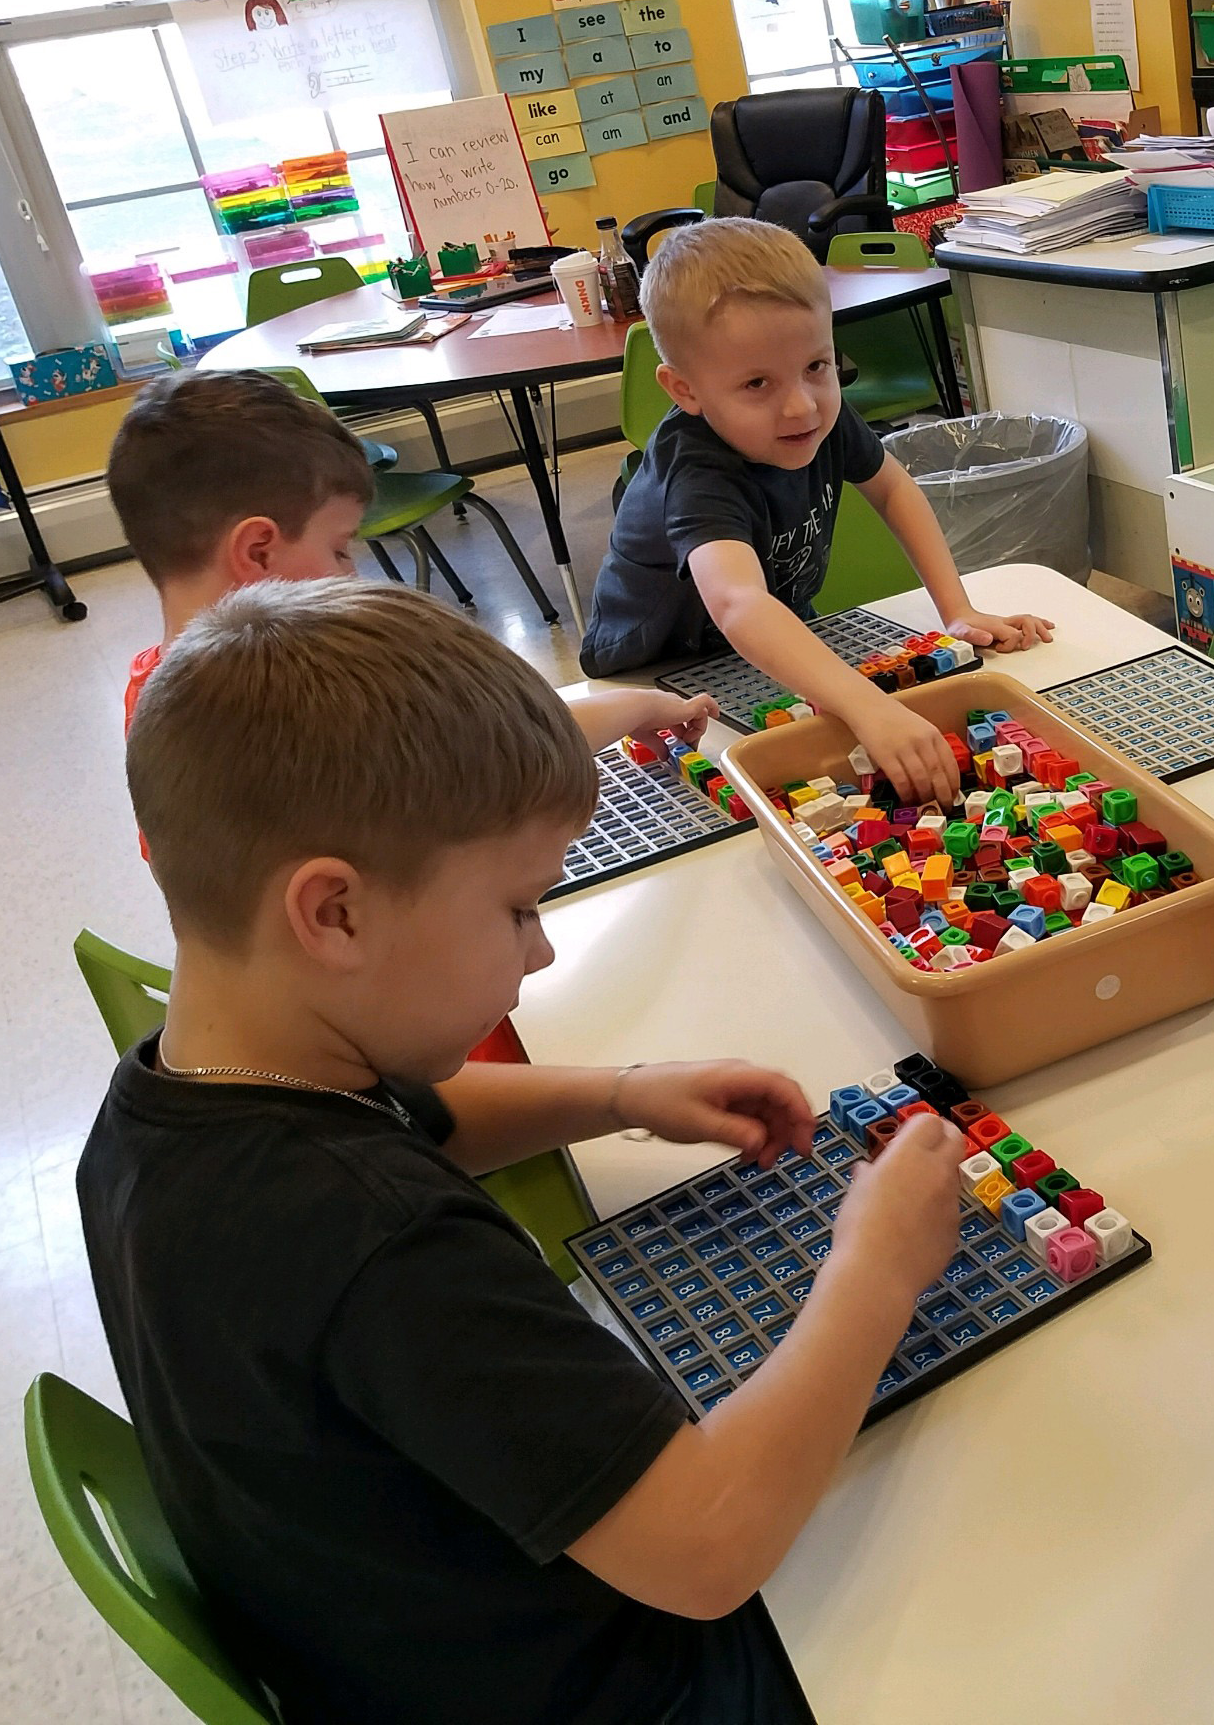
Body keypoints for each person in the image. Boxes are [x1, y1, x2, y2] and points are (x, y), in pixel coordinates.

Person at [86, 577, 968, 1724]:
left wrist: (621, 1092)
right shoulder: (380, 1247)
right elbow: (709, 1549)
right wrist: (877, 1266)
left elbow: (428, 1112)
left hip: (388, 1638)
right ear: (334, 913)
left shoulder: (176, 1093)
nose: (542, 955)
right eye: (517, 909)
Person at [578, 217, 1051, 805]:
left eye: (817, 366)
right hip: (653, 678)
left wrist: (957, 609)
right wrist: (865, 704)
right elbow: (738, 601)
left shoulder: (821, 417)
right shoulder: (697, 468)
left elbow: (893, 488)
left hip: (774, 650)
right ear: (685, 390)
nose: (802, 407)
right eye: (757, 383)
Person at [108, 368, 715, 750]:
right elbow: (508, 746)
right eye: (340, 548)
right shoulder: (301, 697)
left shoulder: (157, 702)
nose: (352, 573)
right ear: (258, 552)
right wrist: (643, 704)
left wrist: (634, 706)